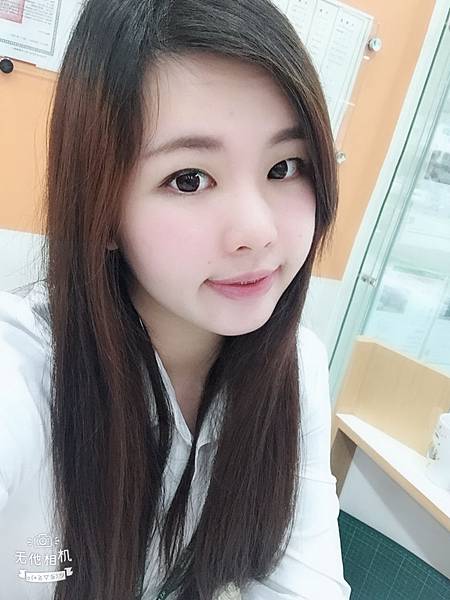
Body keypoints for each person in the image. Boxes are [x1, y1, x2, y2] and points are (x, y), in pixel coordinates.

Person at [0, 0, 352, 598]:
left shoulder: (295, 366)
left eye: (285, 167)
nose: (257, 231)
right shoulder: (24, 375)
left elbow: (304, 583)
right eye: (189, 179)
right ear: (102, 210)